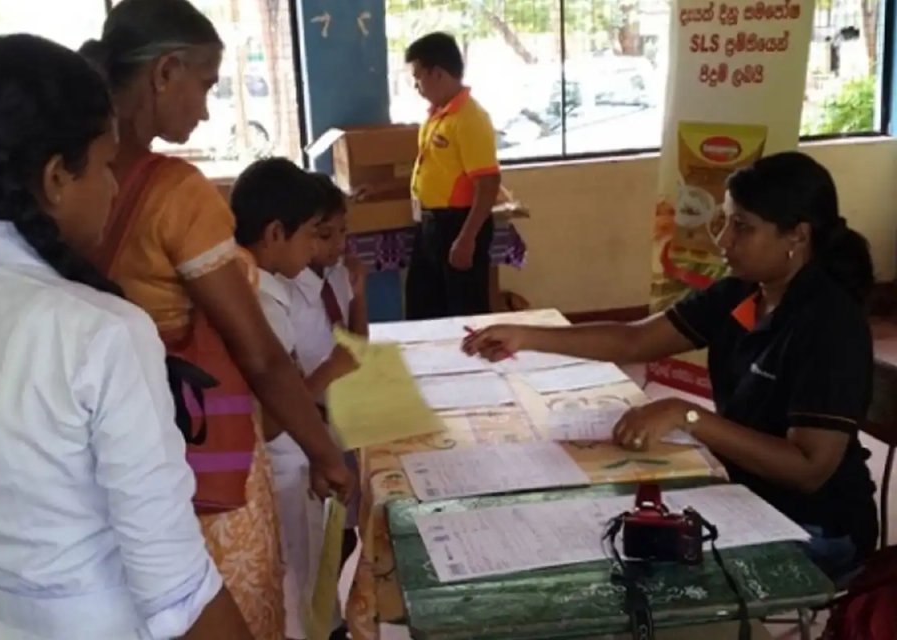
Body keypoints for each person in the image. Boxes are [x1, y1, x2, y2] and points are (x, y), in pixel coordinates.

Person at [0, 34, 250, 640]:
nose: (113, 187)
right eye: (106, 165)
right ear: (57, 178)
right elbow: (175, 590)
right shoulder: (102, 334)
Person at [464, 152, 879, 579]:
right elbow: (637, 339)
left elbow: (808, 470)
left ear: (798, 236)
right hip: (742, 491)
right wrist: (526, 335)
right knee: (600, 516)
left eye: (742, 227)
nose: (722, 240)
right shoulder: (745, 291)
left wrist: (687, 414)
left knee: (628, 568)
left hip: (816, 526)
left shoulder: (830, 323)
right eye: (725, 221)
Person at [79, 0, 351, 636]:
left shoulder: (71, 179)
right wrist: (325, 452)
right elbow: (256, 352)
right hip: (198, 452)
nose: (205, 108)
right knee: (231, 609)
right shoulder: (176, 192)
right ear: (165, 72)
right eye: (204, 84)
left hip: (104, 448)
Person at [229, 158, 354, 640]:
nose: (313, 247)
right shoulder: (263, 305)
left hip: (287, 461)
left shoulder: (256, 288)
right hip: (279, 465)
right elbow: (273, 419)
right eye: (309, 234)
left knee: (304, 579)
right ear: (276, 234)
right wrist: (327, 376)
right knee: (295, 582)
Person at [288, 173, 368, 630]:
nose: (338, 244)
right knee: (311, 541)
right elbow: (283, 387)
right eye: (324, 235)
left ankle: (328, 615)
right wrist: (330, 372)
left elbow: (356, 348)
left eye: (343, 232)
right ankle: (322, 621)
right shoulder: (283, 292)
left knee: (345, 531)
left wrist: (359, 297)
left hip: (342, 417)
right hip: (307, 429)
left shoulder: (336, 275)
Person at [402, 31, 501, 319]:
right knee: (423, 308)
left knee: (464, 311)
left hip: (458, 225)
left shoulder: (471, 118)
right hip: (430, 224)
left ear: (438, 73)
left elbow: (488, 182)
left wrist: (467, 238)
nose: (416, 85)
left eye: (418, 76)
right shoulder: (438, 115)